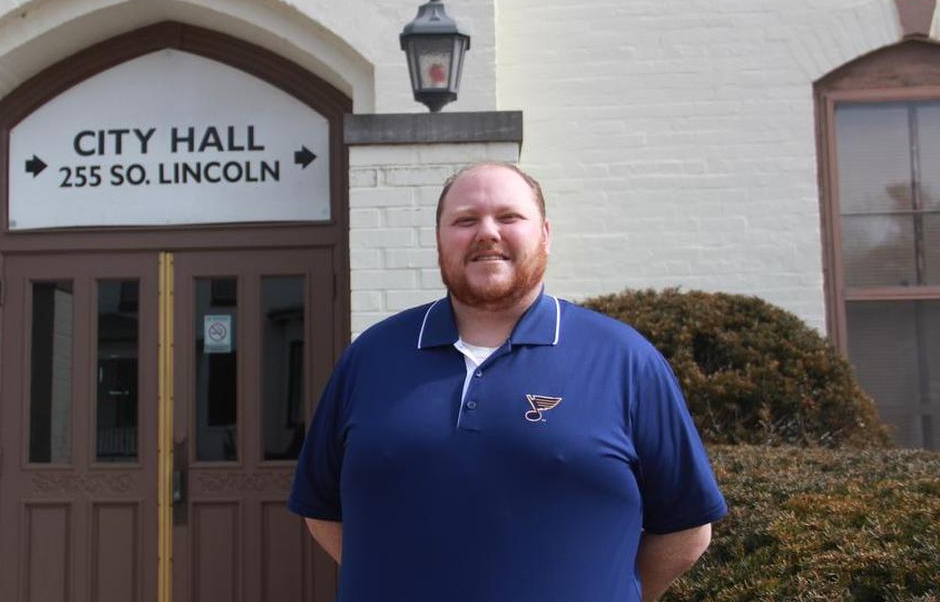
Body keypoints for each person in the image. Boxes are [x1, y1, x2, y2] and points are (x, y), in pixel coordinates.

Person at [288, 162, 726, 602]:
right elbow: (321, 509)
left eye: (509, 217)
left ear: (545, 234)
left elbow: (687, 529)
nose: (487, 232)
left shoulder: (624, 360)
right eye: (465, 220)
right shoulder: (371, 357)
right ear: (438, 239)